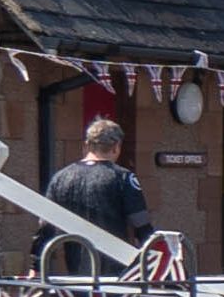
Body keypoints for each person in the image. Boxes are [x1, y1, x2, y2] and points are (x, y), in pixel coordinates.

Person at [41, 116, 153, 273]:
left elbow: (46, 227)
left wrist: (36, 266)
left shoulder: (61, 177)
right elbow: (141, 224)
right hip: (115, 271)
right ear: (116, 147)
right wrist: (157, 260)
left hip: (75, 270)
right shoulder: (124, 177)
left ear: (86, 145)